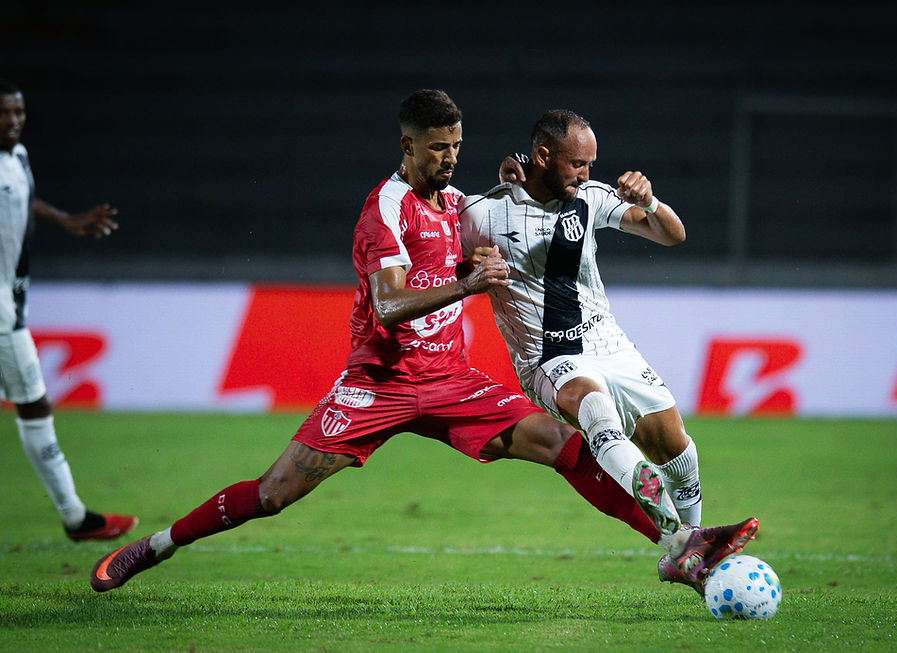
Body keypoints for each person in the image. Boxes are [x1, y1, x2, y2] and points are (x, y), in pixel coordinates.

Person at [90, 89, 755, 594]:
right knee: (272, 492)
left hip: (451, 380)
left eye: (457, 146)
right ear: (407, 146)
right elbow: (387, 305)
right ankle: (157, 544)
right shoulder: (387, 208)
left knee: (564, 445)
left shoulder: (459, 205)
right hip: (377, 382)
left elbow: (519, 203)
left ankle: (682, 543)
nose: (449, 157)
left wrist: (523, 174)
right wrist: (469, 286)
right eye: (438, 147)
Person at [460, 108, 757, 594]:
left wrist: (653, 201)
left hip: (610, 344)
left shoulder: (592, 199)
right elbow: (442, 256)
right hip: (548, 357)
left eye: (591, 164)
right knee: (596, 410)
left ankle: (693, 551)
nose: (586, 175)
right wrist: (468, 268)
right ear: (542, 156)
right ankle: (682, 542)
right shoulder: (483, 214)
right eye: (578, 164)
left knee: (676, 447)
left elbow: (672, 234)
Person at [0, 80, 137, 540]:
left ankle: (76, 516)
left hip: (11, 303)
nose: (15, 121)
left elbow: (19, 199)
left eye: (19, 112)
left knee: (33, 405)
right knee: (34, 405)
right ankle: (76, 516)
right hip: (1, 313)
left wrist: (63, 219)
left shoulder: (16, 157)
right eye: (6, 113)